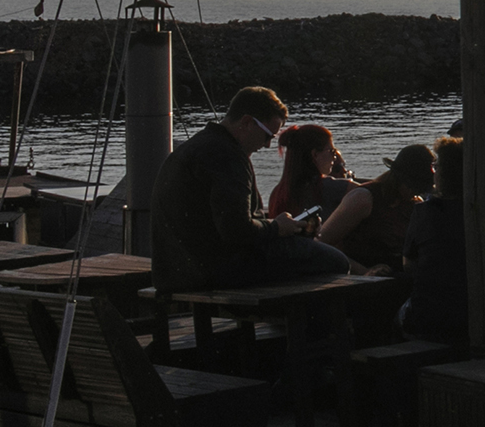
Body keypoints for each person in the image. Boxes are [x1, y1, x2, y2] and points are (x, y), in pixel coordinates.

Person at [152, 86, 355, 292]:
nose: (267, 145)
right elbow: (236, 230)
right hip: (213, 272)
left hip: (174, 272)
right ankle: (296, 322)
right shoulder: (228, 156)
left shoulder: (194, 147)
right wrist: (277, 228)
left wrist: (285, 227)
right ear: (247, 122)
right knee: (335, 261)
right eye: (267, 135)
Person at [316, 143, 435, 272]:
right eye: (413, 186)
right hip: (358, 279)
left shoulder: (414, 204)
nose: (415, 192)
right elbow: (321, 244)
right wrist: (365, 272)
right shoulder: (363, 199)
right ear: (399, 179)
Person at [399, 137, 471, 344]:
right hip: (479, 313)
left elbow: (408, 265)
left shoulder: (426, 212)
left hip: (432, 318)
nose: (433, 172)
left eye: (436, 167)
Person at [266, 123, 358, 221]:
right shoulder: (328, 187)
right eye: (332, 151)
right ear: (315, 154)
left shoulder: (278, 191)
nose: (334, 158)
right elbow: (372, 192)